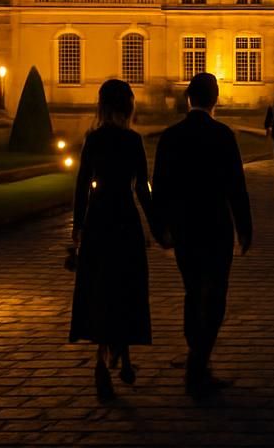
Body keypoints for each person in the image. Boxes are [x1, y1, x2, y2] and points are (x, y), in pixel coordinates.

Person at [151, 73, 252, 398]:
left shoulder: (170, 136)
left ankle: (198, 359)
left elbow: (160, 188)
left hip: (184, 228)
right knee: (217, 297)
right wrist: (245, 227)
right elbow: (236, 186)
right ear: (215, 99)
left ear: (188, 100)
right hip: (216, 227)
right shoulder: (223, 135)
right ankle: (199, 363)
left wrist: (160, 229)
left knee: (193, 292)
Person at [69, 80, 152, 401]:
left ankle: (102, 359)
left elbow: (81, 187)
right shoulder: (132, 140)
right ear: (128, 106)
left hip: (99, 221)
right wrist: (158, 227)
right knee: (127, 287)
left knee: (100, 289)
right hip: (125, 219)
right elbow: (142, 189)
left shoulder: (93, 140)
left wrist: (78, 227)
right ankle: (125, 354)